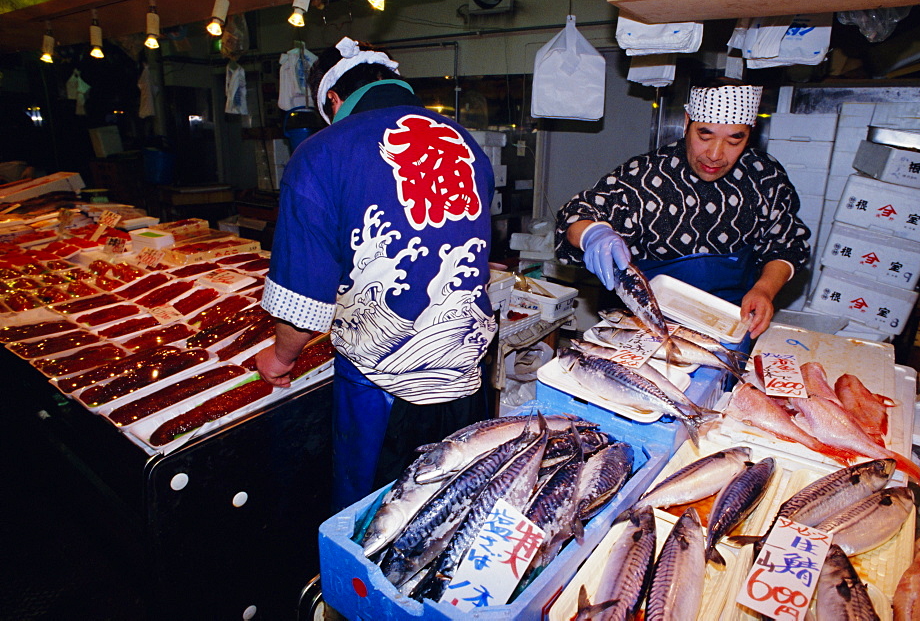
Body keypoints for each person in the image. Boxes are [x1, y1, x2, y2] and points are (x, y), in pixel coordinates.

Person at [256, 37, 497, 512]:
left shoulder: (321, 152)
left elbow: (303, 303)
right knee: (455, 508)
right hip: (468, 378)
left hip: (382, 395)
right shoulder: (466, 143)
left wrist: (281, 359)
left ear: (332, 100)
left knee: (378, 521)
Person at [555, 79, 810, 340]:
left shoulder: (764, 176)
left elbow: (786, 243)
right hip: (647, 323)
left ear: (750, 133)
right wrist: (593, 234)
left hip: (733, 322)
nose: (715, 154)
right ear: (687, 121)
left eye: (734, 140)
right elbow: (578, 213)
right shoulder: (645, 175)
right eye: (705, 135)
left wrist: (765, 290)